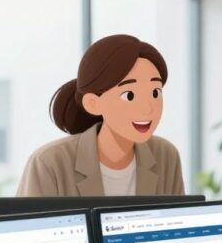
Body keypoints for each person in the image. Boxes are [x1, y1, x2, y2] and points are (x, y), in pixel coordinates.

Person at [17, 34, 185, 197]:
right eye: (129, 96)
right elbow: (26, 224)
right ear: (93, 103)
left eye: (155, 93)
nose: (147, 108)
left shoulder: (165, 156)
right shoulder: (49, 163)